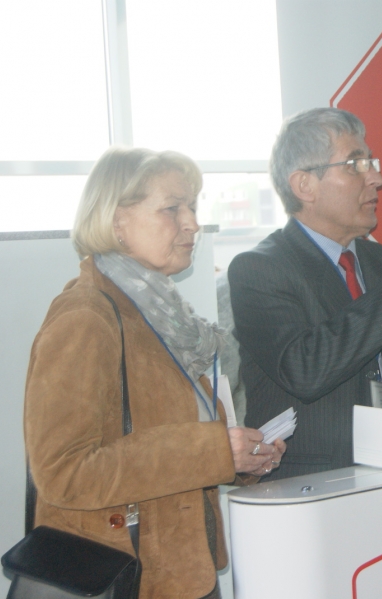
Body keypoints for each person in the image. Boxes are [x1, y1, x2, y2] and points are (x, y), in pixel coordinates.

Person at [24, 147, 286, 599]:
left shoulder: (162, 317)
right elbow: (63, 472)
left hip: (179, 571)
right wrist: (212, 450)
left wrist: (240, 460)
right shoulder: (85, 316)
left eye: (193, 206)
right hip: (124, 577)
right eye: (172, 208)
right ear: (116, 221)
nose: (192, 223)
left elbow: (169, 443)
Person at [228, 107, 382, 480]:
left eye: (371, 163)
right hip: (312, 488)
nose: (377, 178)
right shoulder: (259, 269)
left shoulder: (379, 260)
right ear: (305, 186)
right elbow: (304, 369)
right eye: (355, 165)